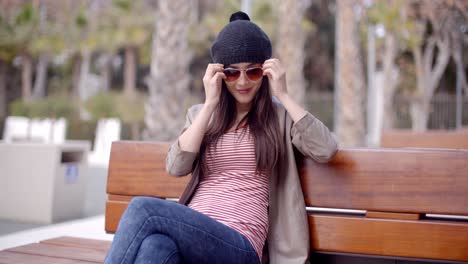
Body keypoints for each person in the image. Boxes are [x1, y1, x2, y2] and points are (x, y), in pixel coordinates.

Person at [104, 11, 338, 264]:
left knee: (143, 209)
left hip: (240, 245)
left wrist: (283, 94)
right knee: (155, 246)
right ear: (219, 74)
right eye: (232, 73)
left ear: (267, 71)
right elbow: (175, 167)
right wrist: (209, 104)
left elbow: (326, 149)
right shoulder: (201, 115)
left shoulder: (280, 118)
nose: (243, 81)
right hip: (195, 237)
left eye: (254, 71)